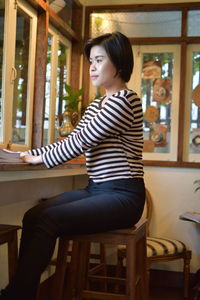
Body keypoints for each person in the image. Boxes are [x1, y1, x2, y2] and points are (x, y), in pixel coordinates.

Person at [0, 31, 145, 300]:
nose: (92, 67)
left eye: (99, 60)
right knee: (33, 216)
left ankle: (16, 295)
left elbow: (82, 141)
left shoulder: (126, 100)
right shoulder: (98, 104)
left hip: (124, 195)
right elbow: (74, 139)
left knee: (46, 220)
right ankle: (24, 291)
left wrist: (37, 157)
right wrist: (26, 154)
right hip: (97, 189)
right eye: (91, 60)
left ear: (120, 63)